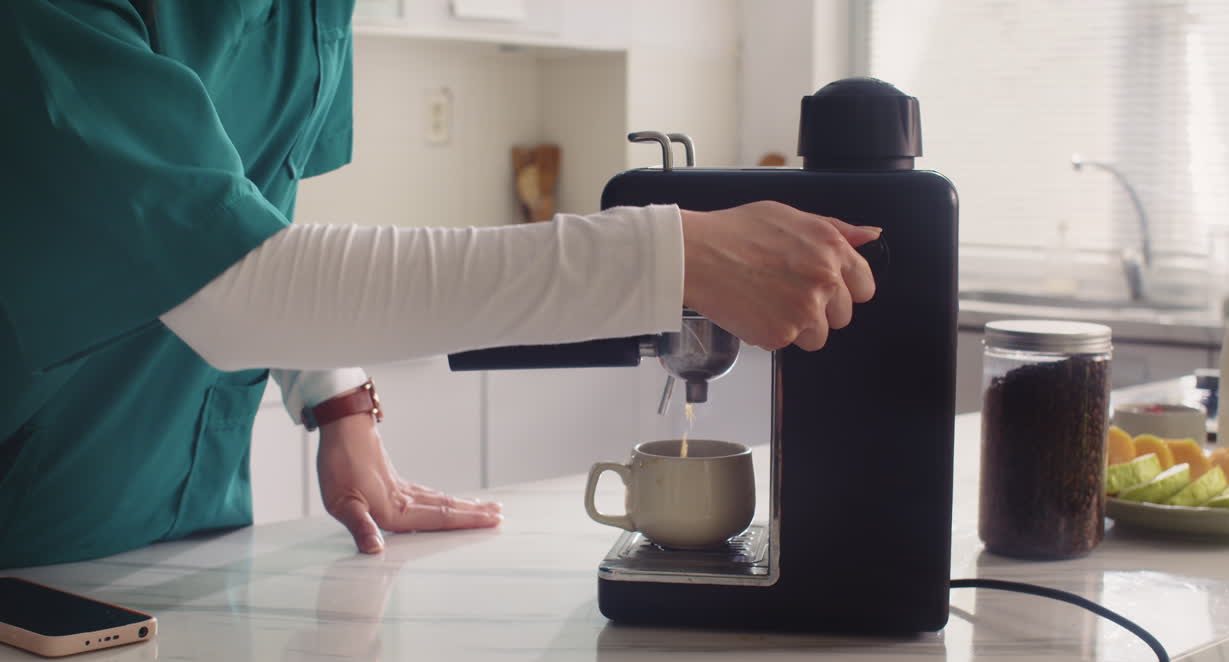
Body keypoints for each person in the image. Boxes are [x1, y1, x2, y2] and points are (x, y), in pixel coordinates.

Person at [0, 1, 878, 569]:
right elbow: (229, 282)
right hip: (35, 539)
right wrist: (672, 256)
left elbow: (254, 205)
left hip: (193, 532)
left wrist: (334, 398)